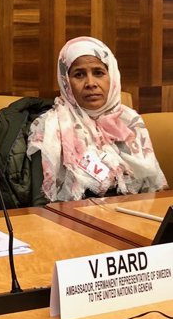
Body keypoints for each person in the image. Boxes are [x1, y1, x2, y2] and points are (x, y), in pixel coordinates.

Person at [27, 36, 167, 202]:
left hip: (134, 218)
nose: (90, 83)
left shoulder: (130, 122)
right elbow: (40, 203)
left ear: (112, 76)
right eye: (79, 75)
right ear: (66, 82)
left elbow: (155, 192)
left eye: (98, 73)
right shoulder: (49, 128)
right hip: (71, 221)